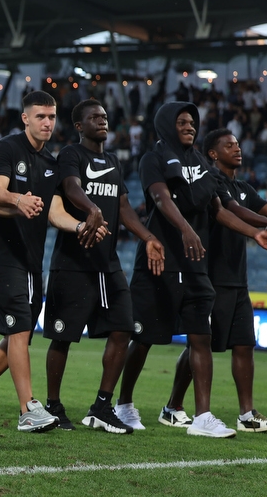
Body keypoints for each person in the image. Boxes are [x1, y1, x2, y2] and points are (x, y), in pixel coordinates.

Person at [115, 102, 267, 438]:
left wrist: (256, 232)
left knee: (200, 338)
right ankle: (123, 403)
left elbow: (221, 209)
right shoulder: (153, 159)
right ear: (166, 125)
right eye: (182, 122)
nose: (189, 126)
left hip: (196, 265)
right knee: (144, 337)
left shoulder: (204, 164)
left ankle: (202, 416)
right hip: (159, 260)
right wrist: (187, 229)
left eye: (192, 122)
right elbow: (161, 199)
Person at [0, 91, 95, 432]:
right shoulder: (7, 148)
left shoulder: (51, 162)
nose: (47, 123)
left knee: (21, 334)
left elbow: (53, 210)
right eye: (40, 117)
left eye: (51, 117)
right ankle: (28, 408)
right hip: (3, 256)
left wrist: (80, 225)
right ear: (26, 118)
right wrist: (19, 200)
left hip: (32, 260)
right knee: (19, 329)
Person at [162, 128, 267, 433]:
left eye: (238, 143)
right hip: (211, 277)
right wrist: (266, 223)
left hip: (238, 280)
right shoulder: (208, 181)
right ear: (213, 153)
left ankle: (247, 413)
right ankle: (173, 406)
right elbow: (232, 212)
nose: (237, 149)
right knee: (200, 344)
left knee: (244, 345)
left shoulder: (243, 188)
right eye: (230, 145)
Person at [43, 99, 165, 433]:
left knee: (124, 327)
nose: (103, 121)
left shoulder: (112, 161)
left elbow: (124, 207)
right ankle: (53, 405)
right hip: (73, 262)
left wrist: (148, 237)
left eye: (105, 117)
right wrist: (92, 209)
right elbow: (71, 187)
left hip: (107, 264)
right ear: (79, 126)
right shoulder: (71, 154)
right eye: (94, 117)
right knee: (63, 337)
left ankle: (101, 405)